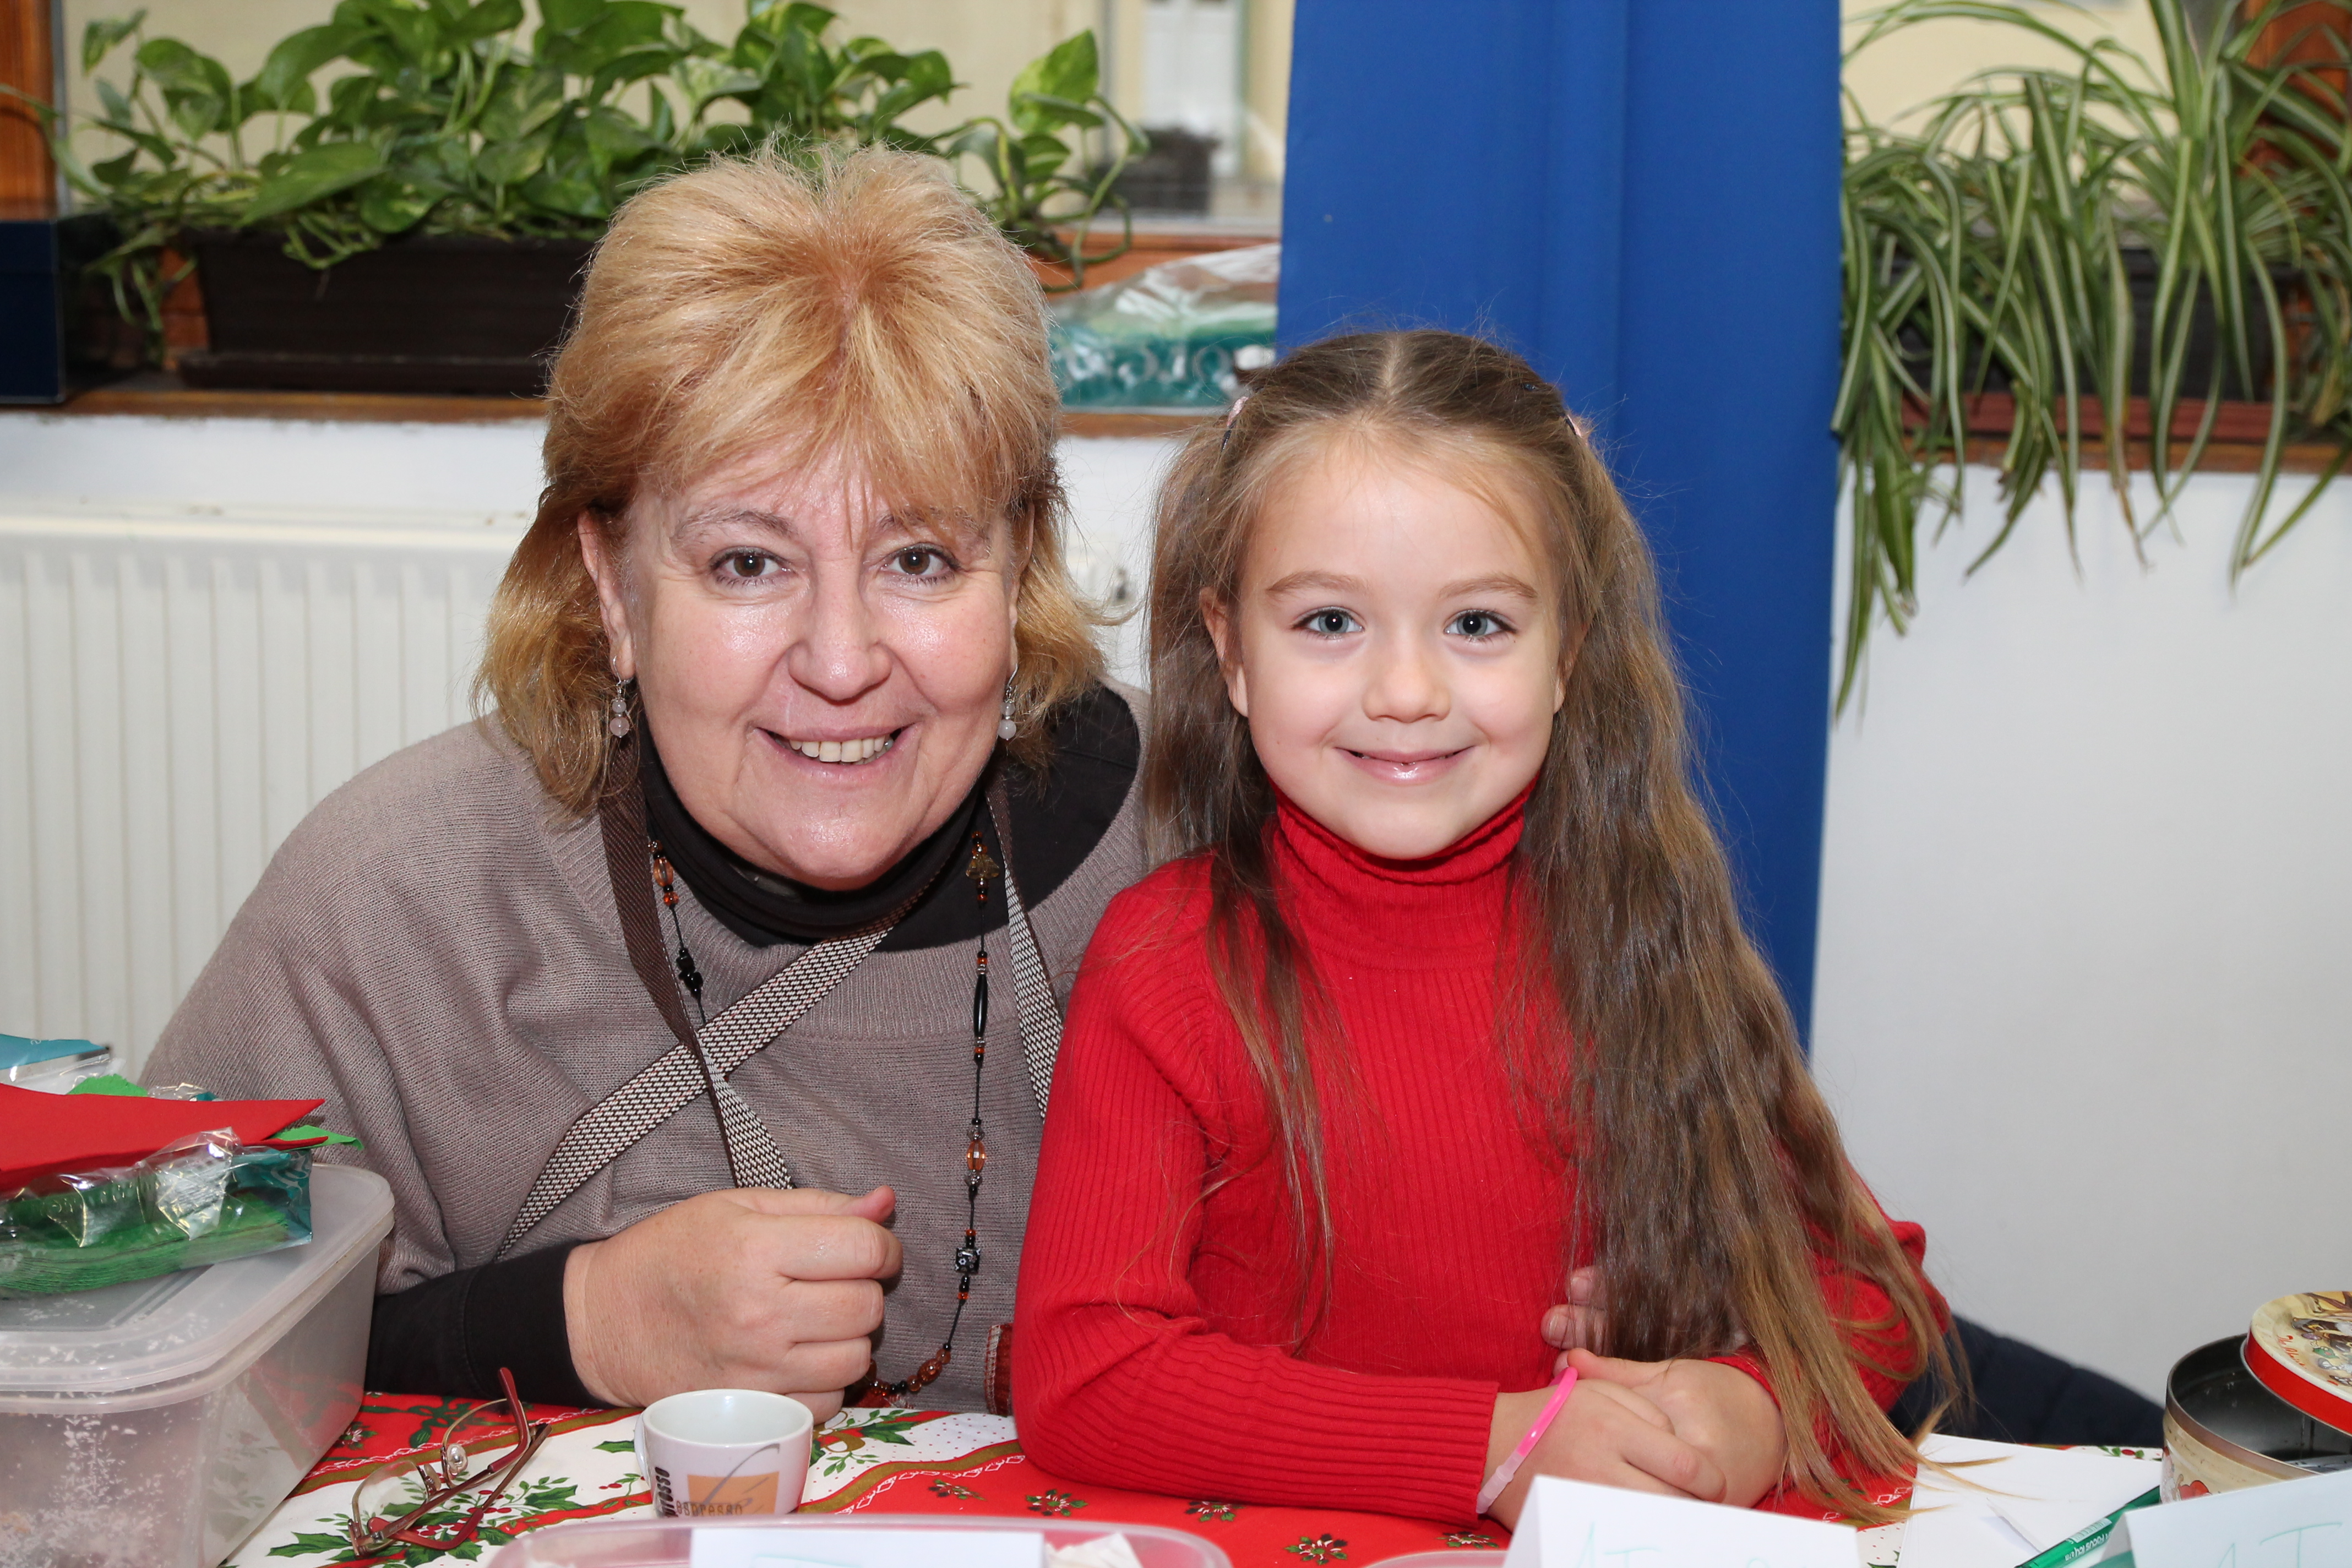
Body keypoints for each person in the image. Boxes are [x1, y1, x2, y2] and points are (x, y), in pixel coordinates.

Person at [143, 146, 1145, 1419]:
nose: (842, 661)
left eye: (920, 559)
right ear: (612, 588)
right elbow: (139, 1362)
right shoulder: (394, 907)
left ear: (1020, 569)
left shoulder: (1202, 840)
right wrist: (577, 1322)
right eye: (746, 563)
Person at [1013, 330, 1952, 1527]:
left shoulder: (1643, 936)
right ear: (1231, 651)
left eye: (1478, 626)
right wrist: (1495, 1448)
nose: (1407, 692)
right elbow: (1085, 1375)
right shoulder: (1166, 963)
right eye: (1329, 623)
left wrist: (1754, 1401)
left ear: (1568, 652)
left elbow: (1880, 1289)